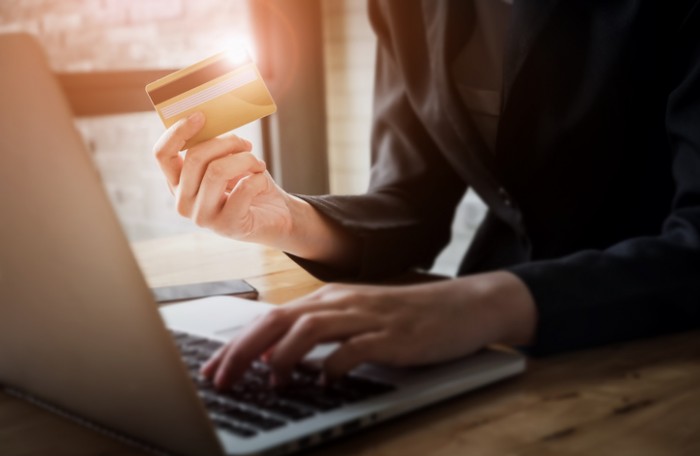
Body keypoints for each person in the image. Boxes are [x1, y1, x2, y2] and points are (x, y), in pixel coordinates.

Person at [153, 0, 700, 390]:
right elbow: (411, 201)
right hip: (491, 349)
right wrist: (288, 218)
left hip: (664, 338)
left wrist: (482, 304)